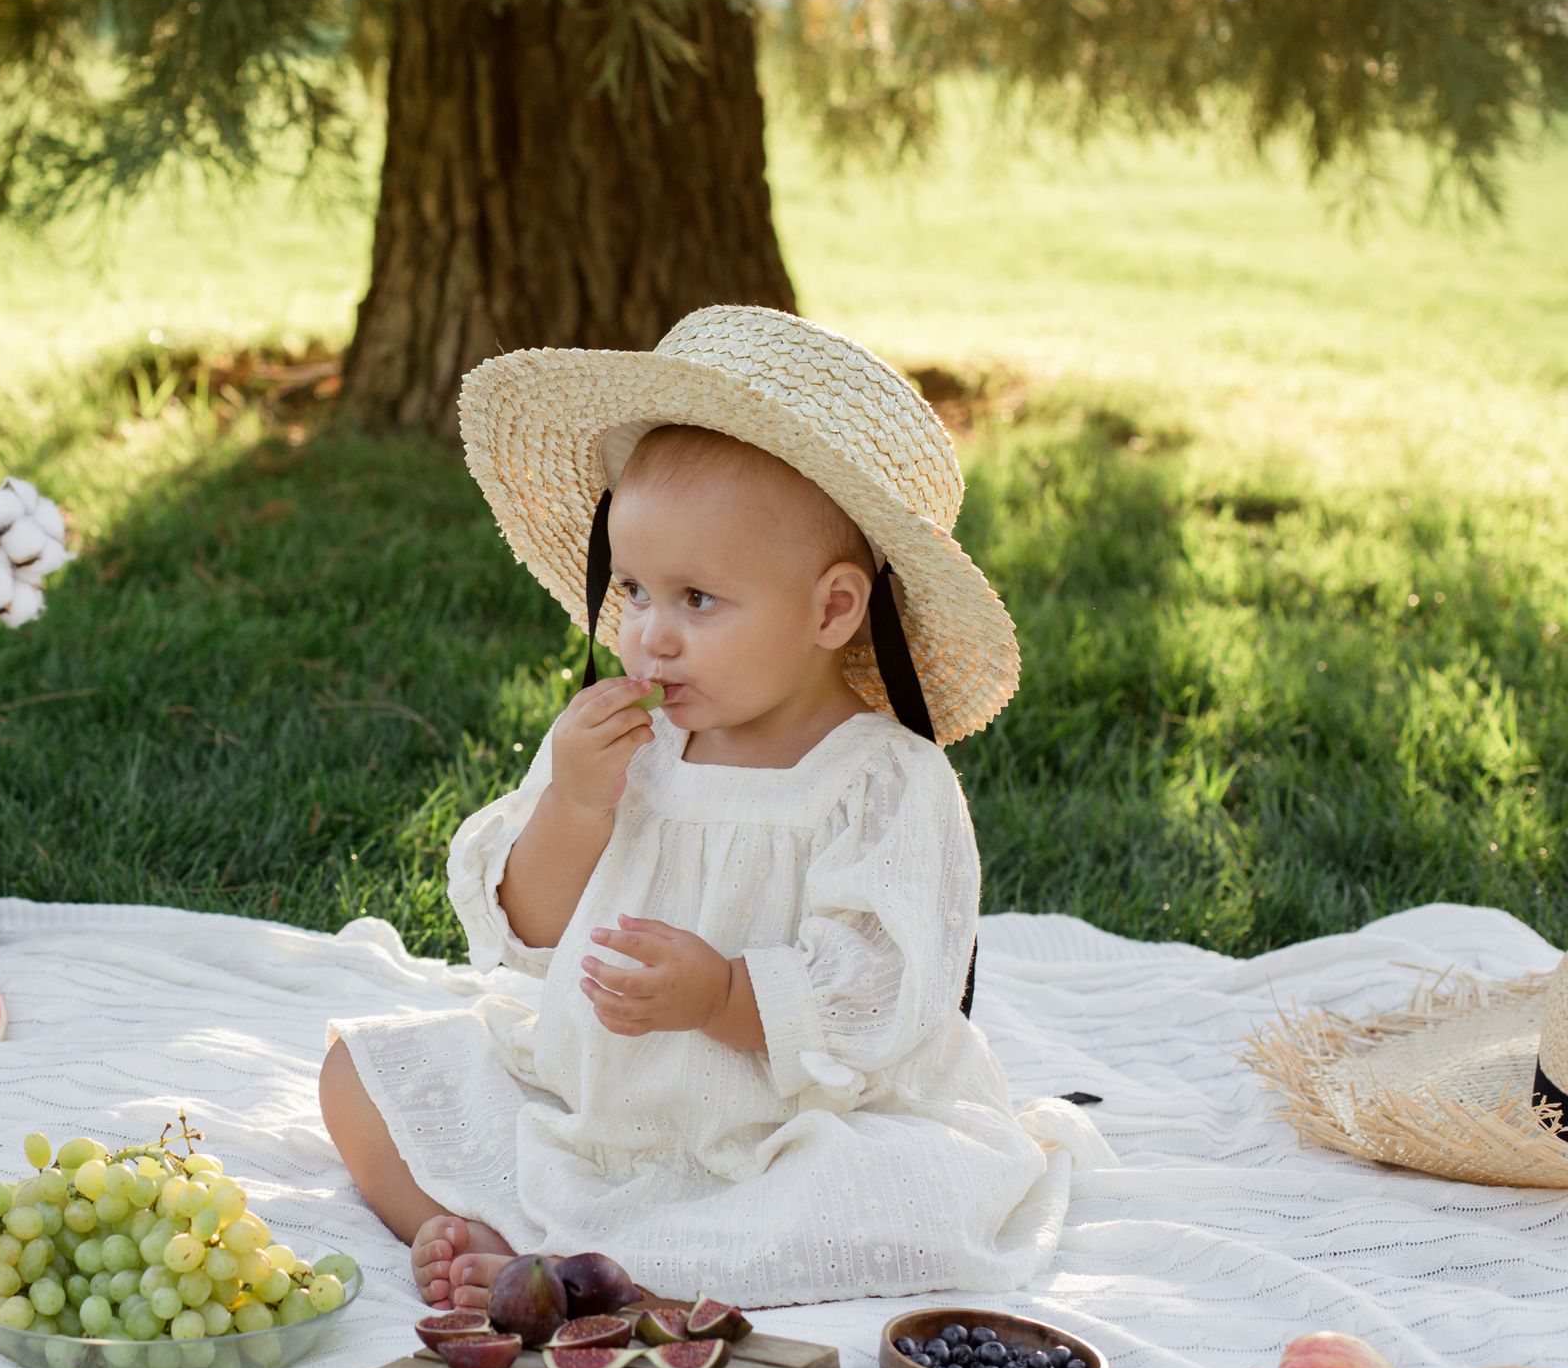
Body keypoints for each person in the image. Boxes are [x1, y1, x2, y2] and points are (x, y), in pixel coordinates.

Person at [320, 306, 1106, 1311]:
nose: (649, 637)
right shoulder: (619, 745)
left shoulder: (878, 781)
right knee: (362, 1070)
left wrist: (723, 996)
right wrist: (571, 804)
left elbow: (880, 993)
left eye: (697, 600)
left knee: (903, 1191)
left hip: (789, 1126)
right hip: (597, 1100)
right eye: (636, 589)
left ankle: (616, 1274)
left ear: (831, 609)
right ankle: (476, 1230)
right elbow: (528, 933)